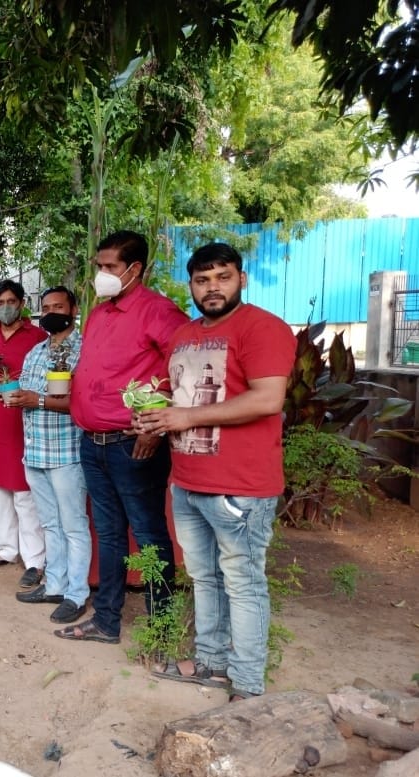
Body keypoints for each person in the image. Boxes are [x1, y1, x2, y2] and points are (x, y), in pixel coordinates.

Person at [136, 243, 294, 701]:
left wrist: (185, 419)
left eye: (223, 277)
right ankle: (210, 663)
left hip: (241, 488)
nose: (212, 288)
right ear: (191, 285)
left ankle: (245, 683)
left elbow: (267, 400)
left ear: (241, 279)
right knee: (204, 578)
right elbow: (179, 400)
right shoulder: (185, 335)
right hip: (188, 481)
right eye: (202, 280)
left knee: (243, 583)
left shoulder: (262, 328)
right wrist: (153, 415)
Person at [58, 230, 189, 644]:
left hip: (132, 443)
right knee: (109, 533)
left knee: (148, 533)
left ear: (135, 269)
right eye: (99, 266)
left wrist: (156, 421)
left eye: (110, 267)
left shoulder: (158, 311)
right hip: (93, 442)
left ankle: (162, 627)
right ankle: (107, 620)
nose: (102, 274)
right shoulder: (99, 312)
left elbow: (183, 365)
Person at [9, 287, 90, 624]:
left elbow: (83, 403)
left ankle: (77, 594)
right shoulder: (36, 351)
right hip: (36, 450)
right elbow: (26, 392)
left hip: (67, 452)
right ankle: (55, 584)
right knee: (50, 524)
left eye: (59, 306)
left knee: (73, 526)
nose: (52, 311)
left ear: (73, 309)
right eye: (46, 307)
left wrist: (36, 400)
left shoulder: (85, 350)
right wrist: (15, 397)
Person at [0, 279, 47, 587]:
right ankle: (6, 549)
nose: (6, 307)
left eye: (11, 301)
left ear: (23, 303)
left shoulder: (37, 337)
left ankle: (35, 559)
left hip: (23, 421)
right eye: (0, 303)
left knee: (25, 494)